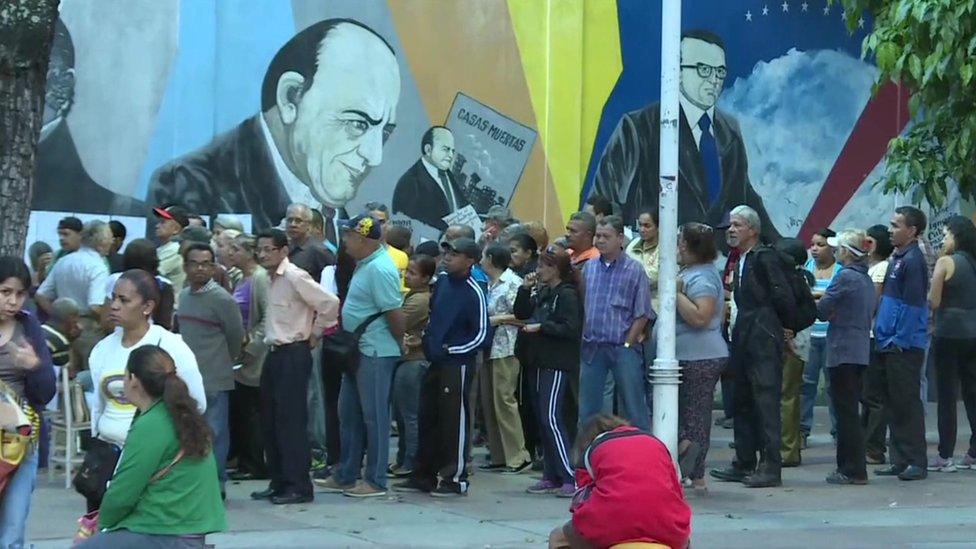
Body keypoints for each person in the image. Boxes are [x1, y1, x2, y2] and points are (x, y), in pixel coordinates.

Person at [149, 19, 401, 231]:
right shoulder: (191, 184)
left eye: (385, 132)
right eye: (357, 123)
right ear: (291, 98)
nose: (374, 155)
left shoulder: (326, 195)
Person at [591, 30, 778, 242]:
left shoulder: (729, 129)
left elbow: (743, 196)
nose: (714, 80)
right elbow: (603, 201)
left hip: (712, 257)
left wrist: (784, 249)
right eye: (704, 70)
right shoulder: (638, 127)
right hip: (657, 253)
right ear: (678, 71)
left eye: (720, 71)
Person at [76, 346, 225, 548]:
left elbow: (124, 492)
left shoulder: (153, 423)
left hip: (163, 530)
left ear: (133, 380)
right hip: (184, 527)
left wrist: (100, 525)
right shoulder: (180, 414)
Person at [86, 269, 206, 511]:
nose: (114, 306)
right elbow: (99, 405)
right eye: (113, 298)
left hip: (151, 460)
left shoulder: (172, 347)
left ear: (147, 306)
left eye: (124, 300)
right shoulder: (102, 349)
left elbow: (197, 403)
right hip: (107, 456)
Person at [316, 215, 404, 498]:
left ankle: (376, 480)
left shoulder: (380, 269)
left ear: (364, 240)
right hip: (358, 351)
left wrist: (399, 341)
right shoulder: (364, 264)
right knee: (349, 413)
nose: (345, 242)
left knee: (375, 417)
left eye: (349, 237)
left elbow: (395, 313)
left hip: (376, 351)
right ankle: (346, 473)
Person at [395, 237, 490, 497]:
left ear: (470, 260)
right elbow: (435, 318)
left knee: (454, 421)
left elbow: (482, 334)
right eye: (446, 252)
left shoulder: (475, 289)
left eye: (455, 254)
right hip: (434, 360)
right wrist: (425, 340)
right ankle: (423, 474)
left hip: (456, 364)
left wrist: (451, 350)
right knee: (428, 417)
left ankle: (455, 478)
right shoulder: (443, 283)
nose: (447, 257)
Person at [250, 229, 339, 504]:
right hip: (274, 351)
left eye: (269, 249)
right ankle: (279, 481)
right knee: (270, 420)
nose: (263, 254)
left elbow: (330, 303)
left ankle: (299, 485)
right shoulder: (268, 279)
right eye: (260, 249)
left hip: (294, 351)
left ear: (283, 251)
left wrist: (315, 333)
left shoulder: (295, 276)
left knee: (290, 421)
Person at [711, 205, 795, 488]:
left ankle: (771, 466)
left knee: (765, 402)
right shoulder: (739, 260)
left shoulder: (763, 258)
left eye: (737, 225)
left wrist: (778, 328)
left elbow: (782, 296)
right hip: (741, 339)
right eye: (730, 226)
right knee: (742, 402)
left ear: (753, 230)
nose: (731, 231)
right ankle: (744, 461)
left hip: (761, 340)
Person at [548, 415, 691, 549]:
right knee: (685, 541)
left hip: (613, 524)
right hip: (666, 526)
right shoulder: (656, 443)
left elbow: (581, 500)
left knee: (558, 537)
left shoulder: (592, 449)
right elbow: (677, 492)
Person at [175, 243, 244, 495]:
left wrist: (226, 360)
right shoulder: (184, 295)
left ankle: (216, 486)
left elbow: (236, 336)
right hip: (186, 377)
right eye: (195, 263)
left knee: (214, 434)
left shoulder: (222, 299)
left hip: (215, 376)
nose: (200, 269)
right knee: (188, 433)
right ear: (185, 266)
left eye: (207, 263)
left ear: (214, 267)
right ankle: (193, 485)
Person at [513, 248, 581, 497]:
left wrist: (543, 327)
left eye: (543, 266)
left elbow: (571, 327)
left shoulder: (567, 295)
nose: (538, 270)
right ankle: (551, 474)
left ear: (555, 269)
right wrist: (524, 289)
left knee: (552, 418)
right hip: (538, 360)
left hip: (556, 362)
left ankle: (569, 475)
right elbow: (522, 312)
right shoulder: (544, 292)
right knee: (542, 419)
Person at [0, 257, 56, 548]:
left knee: (11, 529)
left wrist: (35, 366)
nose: (12, 301)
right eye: (5, 292)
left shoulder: (28, 326)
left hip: (19, 443)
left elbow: (46, 393)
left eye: (19, 294)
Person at [578, 216, 653, 431]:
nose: (600, 241)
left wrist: (628, 344)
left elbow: (643, 313)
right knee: (588, 410)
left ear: (620, 238)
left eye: (606, 237)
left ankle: (643, 454)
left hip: (623, 347)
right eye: (598, 236)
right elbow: (584, 306)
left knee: (634, 407)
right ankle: (588, 457)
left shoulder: (634, 269)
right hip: (593, 346)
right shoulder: (589, 268)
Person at [872, 206, 929, 481]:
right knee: (894, 403)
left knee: (907, 404)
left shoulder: (913, 261)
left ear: (912, 231)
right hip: (888, 342)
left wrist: (899, 340)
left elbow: (914, 305)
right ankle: (899, 459)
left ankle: (916, 461)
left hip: (904, 346)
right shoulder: (898, 257)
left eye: (896, 225)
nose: (890, 230)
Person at [816, 230, 875, 485]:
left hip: (842, 350)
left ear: (847, 253)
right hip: (859, 349)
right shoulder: (865, 279)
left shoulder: (845, 277)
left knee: (845, 414)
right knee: (850, 411)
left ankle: (851, 469)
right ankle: (853, 467)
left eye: (838, 248)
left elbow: (822, 309)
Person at [673, 222, 727, 491]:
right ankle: (692, 468)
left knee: (695, 414)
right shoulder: (691, 271)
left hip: (699, 355)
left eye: (680, 242)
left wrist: (677, 293)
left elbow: (701, 317)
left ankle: (694, 471)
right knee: (688, 412)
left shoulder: (702, 278)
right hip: (687, 353)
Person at [927, 215, 976, 472]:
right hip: (973, 333)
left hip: (948, 334)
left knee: (946, 396)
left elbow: (933, 301)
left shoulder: (945, 262)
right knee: (972, 393)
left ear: (956, 237)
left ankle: (945, 455)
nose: (943, 240)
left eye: (946, 235)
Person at [478, 244, 531, 474]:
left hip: (507, 347)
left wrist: (498, 319)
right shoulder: (488, 284)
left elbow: (522, 316)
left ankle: (519, 454)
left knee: (505, 400)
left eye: (483, 256)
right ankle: (499, 453)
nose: (480, 260)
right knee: (490, 402)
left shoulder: (512, 283)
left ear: (491, 258)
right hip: (489, 347)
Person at [226, 234, 270, 481]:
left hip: (255, 355)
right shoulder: (238, 277)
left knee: (253, 411)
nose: (231, 253)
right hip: (239, 354)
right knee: (242, 410)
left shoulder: (260, 279)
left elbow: (266, 317)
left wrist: (252, 346)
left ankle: (255, 463)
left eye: (236, 249)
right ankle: (244, 459)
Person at [390, 255, 435, 478]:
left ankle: (411, 460)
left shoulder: (419, 301)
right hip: (406, 359)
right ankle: (403, 459)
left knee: (410, 414)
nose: (407, 275)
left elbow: (399, 322)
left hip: (414, 361)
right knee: (402, 414)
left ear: (426, 278)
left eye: (413, 273)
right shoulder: (413, 296)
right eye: (407, 271)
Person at [800, 228, 841, 447]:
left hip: (831, 336)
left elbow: (836, 298)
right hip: (809, 335)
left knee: (834, 386)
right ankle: (802, 430)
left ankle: (838, 432)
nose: (814, 249)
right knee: (806, 385)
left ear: (833, 248)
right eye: (813, 244)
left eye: (821, 245)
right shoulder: (806, 269)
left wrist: (815, 297)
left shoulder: (840, 271)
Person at [775, 238, 814, 468]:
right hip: (794, 342)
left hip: (793, 346)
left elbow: (809, 311)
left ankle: (788, 450)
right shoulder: (794, 279)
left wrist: (790, 330)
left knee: (787, 397)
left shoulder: (794, 280)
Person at [392, 126, 467, 231]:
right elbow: (406, 225)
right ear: (428, 149)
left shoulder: (449, 175)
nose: (450, 155)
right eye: (446, 149)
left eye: (452, 151)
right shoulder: (410, 182)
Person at [862, 223, 895, 464]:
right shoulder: (872, 267)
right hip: (867, 336)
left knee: (874, 396)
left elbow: (872, 303)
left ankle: (874, 447)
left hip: (874, 336)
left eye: (869, 242)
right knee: (867, 394)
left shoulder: (881, 268)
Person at [35, 220, 112, 319]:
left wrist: (58, 317)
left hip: (63, 324)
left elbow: (41, 295)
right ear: (102, 241)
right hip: (88, 325)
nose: (111, 243)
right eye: (110, 239)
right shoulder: (99, 267)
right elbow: (95, 306)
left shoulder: (62, 261)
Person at [102, 238, 176, 331]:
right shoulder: (164, 284)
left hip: (120, 335)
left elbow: (106, 318)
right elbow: (165, 321)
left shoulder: (116, 279)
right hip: (152, 338)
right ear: (154, 259)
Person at [286, 203, 335, 283]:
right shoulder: (284, 248)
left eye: (298, 221)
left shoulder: (319, 250)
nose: (293, 224)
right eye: (289, 220)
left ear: (308, 224)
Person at [366, 202, 409, 292]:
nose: (377, 226)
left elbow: (401, 292)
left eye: (381, 222)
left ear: (388, 224)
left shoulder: (400, 257)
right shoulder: (358, 254)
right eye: (372, 221)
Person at [153, 204, 190, 302]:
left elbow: (150, 275)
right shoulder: (165, 247)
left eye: (163, 222)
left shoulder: (175, 249)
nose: (157, 226)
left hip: (171, 309)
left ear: (176, 229)